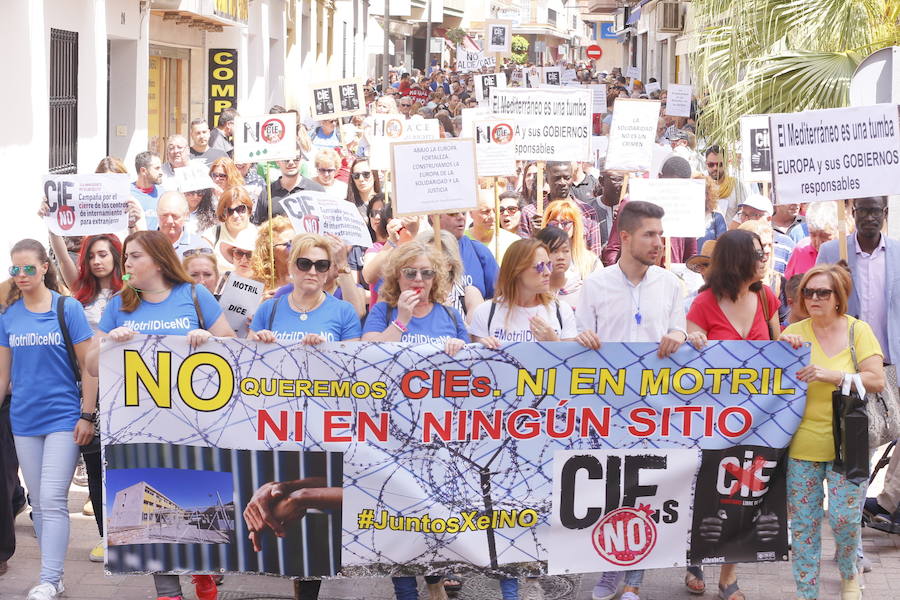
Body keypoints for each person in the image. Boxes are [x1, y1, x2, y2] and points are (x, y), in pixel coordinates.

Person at [88, 230, 233, 600]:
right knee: (150, 513)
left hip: (194, 426)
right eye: (126, 257)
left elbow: (234, 349)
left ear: (157, 258)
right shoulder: (120, 303)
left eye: (134, 256)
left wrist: (209, 340)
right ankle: (168, 592)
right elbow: (89, 366)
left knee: (192, 496)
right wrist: (108, 343)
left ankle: (203, 572)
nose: (127, 263)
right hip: (139, 429)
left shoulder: (194, 295)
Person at [574, 202, 702, 600]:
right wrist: (582, 339)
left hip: (655, 410)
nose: (658, 242)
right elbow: (578, 343)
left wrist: (680, 335)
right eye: (649, 234)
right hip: (608, 407)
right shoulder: (595, 285)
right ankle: (611, 569)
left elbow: (679, 330)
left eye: (660, 234)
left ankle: (633, 580)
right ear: (626, 237)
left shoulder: (671, 284)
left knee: (644, 491)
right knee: (612, 491)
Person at [779, 264, 884, 600]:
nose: (814, 298)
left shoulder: (857, 330)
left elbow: (876, 379)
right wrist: (783, 347)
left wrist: (833, 376)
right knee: (804, 525)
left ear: (838, 297)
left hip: (849, 442)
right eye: (808, 292)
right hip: (803, 442)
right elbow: (773, 379)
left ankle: (849, 571)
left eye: (822, 292)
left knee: (844, 519)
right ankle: (805, 592)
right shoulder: (792, 332)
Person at [0, 239, 95, 600]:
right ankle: (53, 577)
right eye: (15, 268)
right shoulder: (8, 316)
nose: (21, 274)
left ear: (44, 267)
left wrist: (87, 414)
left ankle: (50, 578)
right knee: (39, 502)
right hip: (24, 420)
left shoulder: (67, 308)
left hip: (63, 417)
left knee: (53, 499)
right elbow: (3, 376)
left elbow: (89, 366)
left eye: (28, 267)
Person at [817, 196, 900, 533]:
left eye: (875, 211)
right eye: (863, 210)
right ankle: (850, 521)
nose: (869, 217)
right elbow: (813, 298)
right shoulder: (832, 252)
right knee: (858, 443)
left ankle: (889, 500)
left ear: (885, 214)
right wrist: (838, 281)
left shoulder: (897, 253)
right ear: (852, 213)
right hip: (848, 365)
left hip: (891, 362)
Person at [250, 233, 361, 347]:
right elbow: (246, 354)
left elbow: (352, 356)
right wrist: (259, 343)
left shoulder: (345, 312)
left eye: (321, 265)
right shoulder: (267, 308)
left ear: (327, 271)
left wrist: (324, 349)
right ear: (290, 267)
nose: (312, 272)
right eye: (304, 264)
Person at [469, 238, 577, 346]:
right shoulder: (485, 312)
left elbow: (570, 356)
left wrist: (554, 342)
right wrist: (484, 348)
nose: (547, 272)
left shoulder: (561, 310)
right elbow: (477, 355)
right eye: (539, 266)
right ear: (517, 270)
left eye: (548, 265)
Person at [439, 212, 500, 300]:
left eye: (463, 213)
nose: (461, 217)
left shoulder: (479, 251)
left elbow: (498, 296)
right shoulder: (423, 253)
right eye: (453, 213)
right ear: (433, 217)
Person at [252, 155, 325, 225]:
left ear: (302, 159)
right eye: (286, 159)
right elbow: (259, 226)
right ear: (277, 161)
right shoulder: (266, 193)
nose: (291, 162)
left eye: (296, 158)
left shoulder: (317, 191)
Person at [542, 199, 599, 283]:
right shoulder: (539, 260)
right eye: (553, 224)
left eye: (565, 223)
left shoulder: (590, 261)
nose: (559, 228)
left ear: (575, 225)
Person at [785, 201, 838, 280]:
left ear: (837, 230)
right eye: (813, 235)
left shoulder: (847, 250)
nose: (818, 242)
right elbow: (789, 283)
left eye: (824, 236)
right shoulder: (801, 250)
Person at [207, 186, 255, 271]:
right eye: (230, 211)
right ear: (223, 213)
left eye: (240, 209)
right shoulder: (211, 236)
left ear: (249, 209)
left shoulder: (261, 236)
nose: (235, 215)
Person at [467, 189, 520, 263]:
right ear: (471, 213)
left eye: (496, 211)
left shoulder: (514, 243)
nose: (492, 216)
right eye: (485, 211)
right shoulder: (459, 241)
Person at [534, 226, 581, 308]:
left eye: (565, 251)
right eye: (554, 251)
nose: (561, 257)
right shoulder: (532, 293)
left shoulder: (581, 291)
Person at [156, 192, 213, 259]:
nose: (169, 221)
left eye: (175, 216)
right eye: (164, 215)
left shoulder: (200, 247)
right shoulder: (147, 244)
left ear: (186, 215)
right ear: (157, 213)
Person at [252, 216, 296, 296]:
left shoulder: (307, 276)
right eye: (287, 244)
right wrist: (263, 301)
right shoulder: (256, 283)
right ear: (270, 250)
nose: (294, 248)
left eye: (296, 242)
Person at [705, 145, 746, 221]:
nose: (715, 168)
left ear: (726, 164)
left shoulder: (736, 185)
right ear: (706, 164)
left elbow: (744, 214)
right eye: (711, 165)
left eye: (719, 164)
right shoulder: (701, 186)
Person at [132, 151, 164, 231]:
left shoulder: (163, 195)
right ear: (143, 171)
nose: (161, 172)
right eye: (157, 168)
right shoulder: (127, 194)